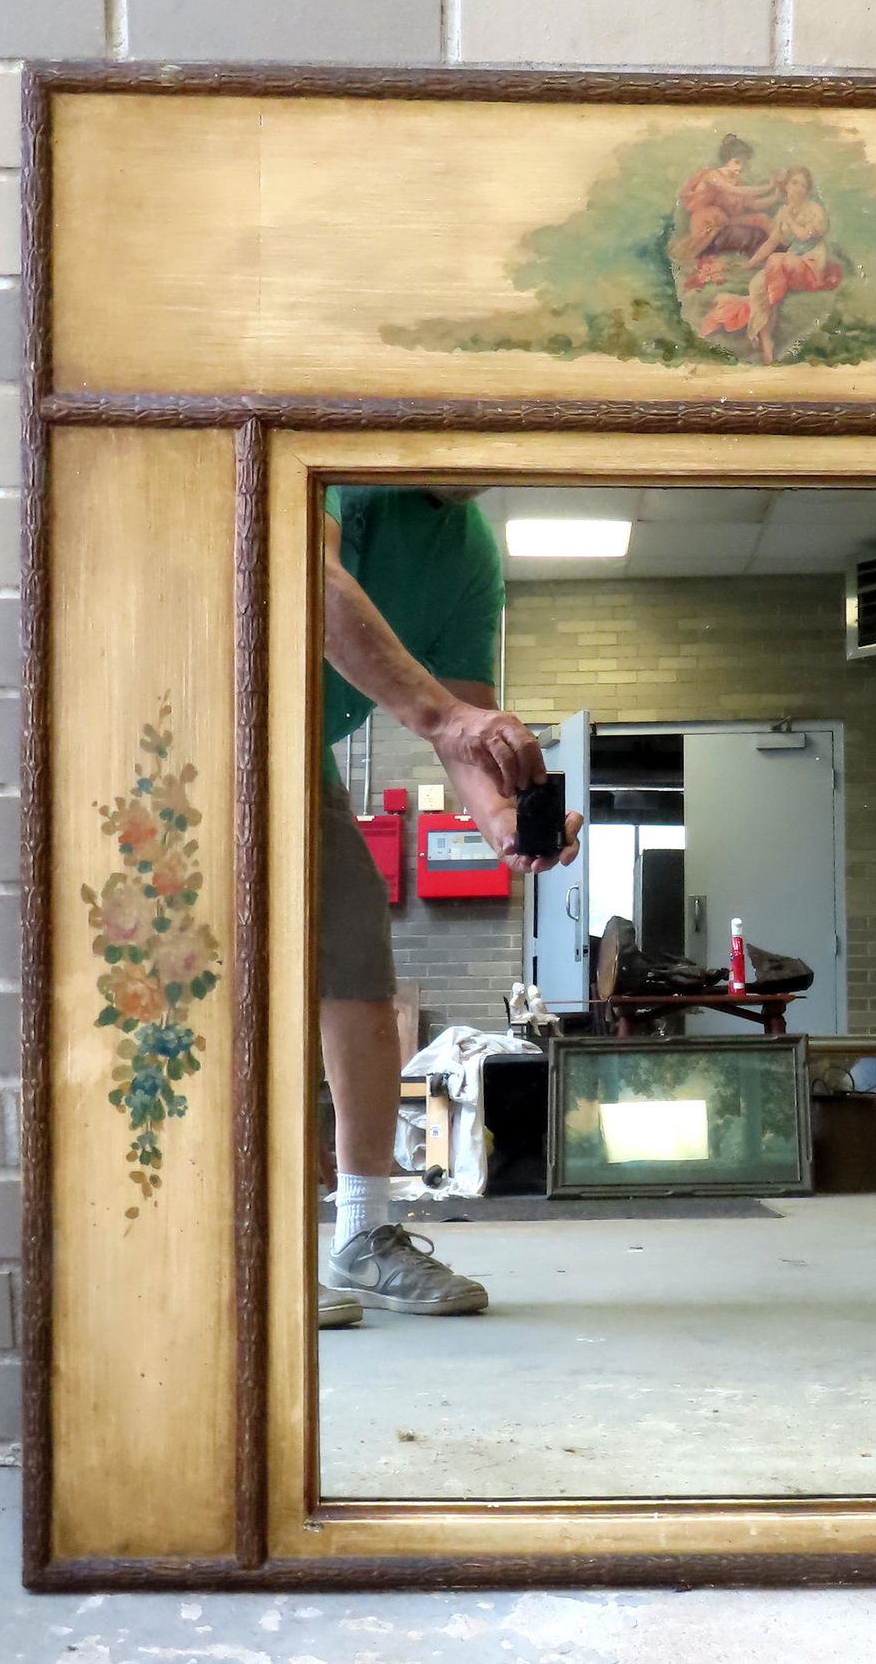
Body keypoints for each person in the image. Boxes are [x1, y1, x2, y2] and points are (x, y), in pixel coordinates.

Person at [316, 485, 581, 1328]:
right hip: (194, 709)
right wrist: (440, 711)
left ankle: (362, 1231)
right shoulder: (344, 475)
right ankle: (234, 1240)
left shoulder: (469, 554)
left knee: (356, 951)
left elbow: (460, 719)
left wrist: (503, 821)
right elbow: (301, 579)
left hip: (295, 747)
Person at [700, 166, 843, 364]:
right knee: (756, 286)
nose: (799, 188)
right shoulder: (783, 211)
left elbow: (803, 235)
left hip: (809, 264)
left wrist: (789, 219)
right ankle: (768, 352)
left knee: (775, 263)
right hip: (789, 264)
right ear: (786, 186)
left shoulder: (814, 211)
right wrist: (750, 264)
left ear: (808, 189)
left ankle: (772, 299)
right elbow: (771, 243)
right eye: (794, 183)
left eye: (803, 185)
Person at [670, 133, 778, 266]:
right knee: (715, 218)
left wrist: (776, 196)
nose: (741, 167)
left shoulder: (737, 183)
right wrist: (769, 186)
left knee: (762, 218)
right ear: (726, 159)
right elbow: (733, 191)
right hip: (706, 220)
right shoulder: (713, 176)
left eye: (744, 163)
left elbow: (755, 204)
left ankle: (779, 251)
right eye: (737, 162)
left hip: (725, 221)